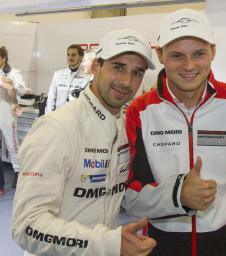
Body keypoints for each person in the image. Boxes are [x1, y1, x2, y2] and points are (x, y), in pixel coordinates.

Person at [123, 9, 226, 256]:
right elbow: (131, 189)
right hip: (160, 240)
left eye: (198, 54)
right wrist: (178, 195)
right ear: (160, 55)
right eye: (177, 55)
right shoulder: (140, 111)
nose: (189, 66)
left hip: (225, 241)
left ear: (213, 51)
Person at [12, 29, 157, 256]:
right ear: (96, 66)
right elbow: (26, 226)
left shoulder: (121, 127)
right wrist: (107, 244)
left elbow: (122, 196)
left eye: (137, 72)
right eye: (118, 67)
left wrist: (178, 196)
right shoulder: (56, 128)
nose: (127, 81)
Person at [0, 46, 29, 191]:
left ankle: (19, 173)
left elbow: (21, 87)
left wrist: (21, 89)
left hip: (7, 110)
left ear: (3, 58)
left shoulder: (13, 72)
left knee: (12, 144)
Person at [46, 44, 91, 113]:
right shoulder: (58, 74)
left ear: (81, 57)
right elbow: (51, 98)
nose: (70, 57)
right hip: (58, 116)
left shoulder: (87, 77)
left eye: (73, 55)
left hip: (76, 117)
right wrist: (48, 116)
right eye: (68, 55)